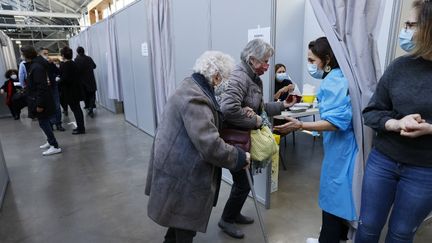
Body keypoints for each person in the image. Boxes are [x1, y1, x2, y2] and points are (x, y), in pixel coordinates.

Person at [145, 50, 251, 243]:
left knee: (176, 219)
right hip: (181, 172)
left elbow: (208, 120)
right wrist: (239, 156)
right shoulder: (195, 98)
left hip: (175, 165)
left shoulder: (191, 86)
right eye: (226, 78)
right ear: (216, 77)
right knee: (185, 224)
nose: (227, 85)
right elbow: (210, 144)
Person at [355, 1, 432, 242]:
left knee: (401, 233)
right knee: (367, 226)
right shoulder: (399, 67)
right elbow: (372, 112)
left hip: (425, 169)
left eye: (411, 24)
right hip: (383, 161)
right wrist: (395, 124)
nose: (405, 30)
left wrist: (429, 128)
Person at [274, 37, 358, 243]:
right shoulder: (338, 77)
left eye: (312, 61)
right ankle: (337, 237)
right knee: (338, 196)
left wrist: (301, 125)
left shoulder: (335, 80)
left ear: (327, 59)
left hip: (342, 149)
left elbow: (336, 122)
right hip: (340, 146)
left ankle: (327, 239)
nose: (310, 65)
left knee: (333, 196)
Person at [217, 39, 296, 239]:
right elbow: (228, 109)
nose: (268, 66)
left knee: (243, 181)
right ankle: (226, 219)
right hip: (235, 141)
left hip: (244, 139)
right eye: (265, 61)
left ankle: (232, 215)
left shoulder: (253, 78)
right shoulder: (239, 77)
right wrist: (256, 120)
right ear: (252, 60)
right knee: (244, 183)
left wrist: (283, 106)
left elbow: (260, 108)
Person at [20, 45, 61, 156]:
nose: (21, 56)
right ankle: (50, 141)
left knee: (44, 122)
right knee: (43, 122)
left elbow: (41, 87)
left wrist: (40, 104)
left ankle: (54, 145)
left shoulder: (36, 67)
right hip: (37, 98)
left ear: (26, 54)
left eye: (22, 54)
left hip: (40, 100)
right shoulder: (35, 65)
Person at [59, 46, 85, 135]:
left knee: (76, 110)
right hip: (75, 90)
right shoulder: (72, 63)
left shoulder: (66, 65)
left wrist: (58, 81)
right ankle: (80, 127)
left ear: (62, 55)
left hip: (71, 92)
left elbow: (65, 79)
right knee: (77, 109)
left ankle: (81, 128)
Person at [75, 46, 97, 118]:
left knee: (85, 95)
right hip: (91, 80)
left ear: (77, 52)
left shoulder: (76, 60)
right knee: (92, 94)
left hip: (82, 82)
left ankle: (88, 107)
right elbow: (94, 66)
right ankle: (91, 107)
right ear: (84, 51)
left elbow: (76, 71)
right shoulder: (89, 58)